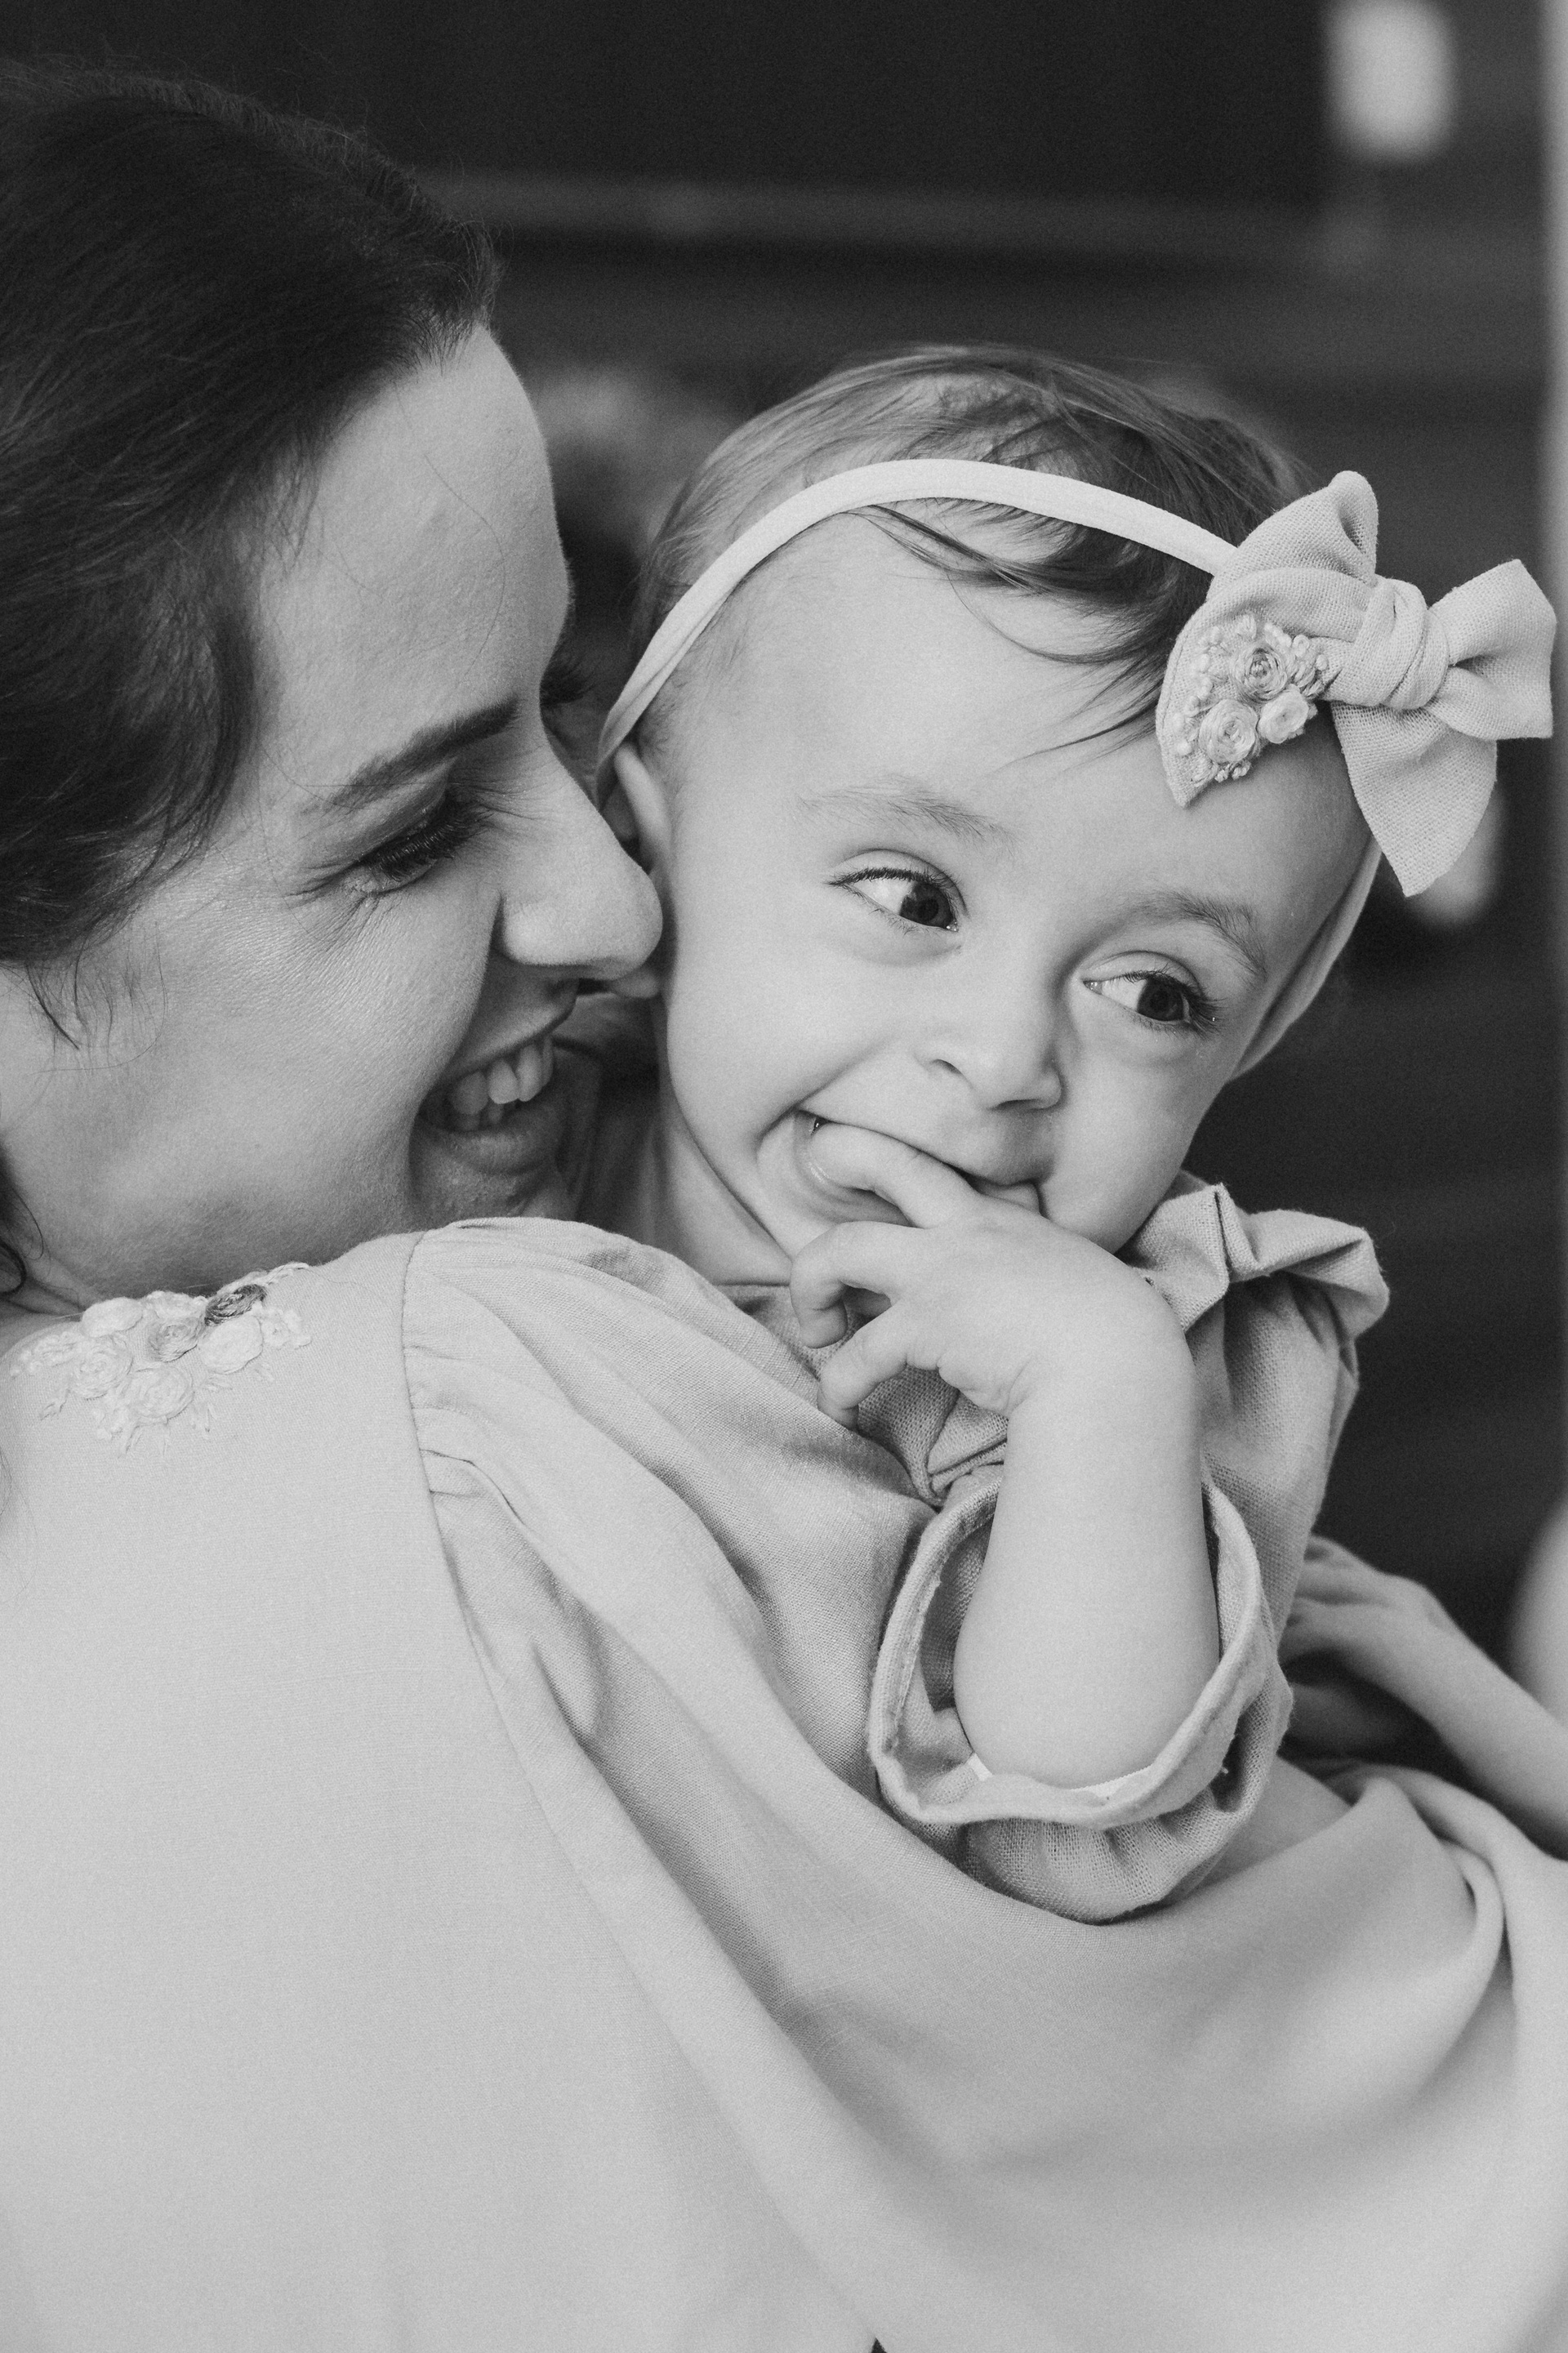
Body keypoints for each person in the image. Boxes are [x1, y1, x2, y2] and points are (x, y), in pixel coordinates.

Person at [3, 64, 1568, 2353]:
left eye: (555, 704)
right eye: (410, 827)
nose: (611, 902)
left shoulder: (1046, 1324)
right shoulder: (491, 1419)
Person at [585, 346, 1568, 1916]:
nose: (1001, 1059)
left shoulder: (1116, 1360)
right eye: (913, 897)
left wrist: (1094, 1396)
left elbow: (1075, 1825)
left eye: (1156, 994)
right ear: (644, 862)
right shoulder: (510, 1125)